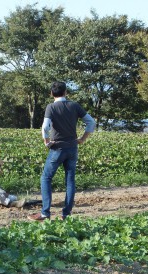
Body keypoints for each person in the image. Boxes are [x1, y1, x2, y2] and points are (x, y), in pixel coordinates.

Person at [28, 81, 96, 221]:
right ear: (66, 92)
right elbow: (91, 122)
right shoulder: (74, 105)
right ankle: (66, 214)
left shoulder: (51, 107)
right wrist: (82, 138)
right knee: (70, 180)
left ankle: (45, 213)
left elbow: (45, 127)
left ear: (51, 93)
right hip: (72, 148)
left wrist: (46, 141)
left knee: (46, 178)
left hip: (57, 148)